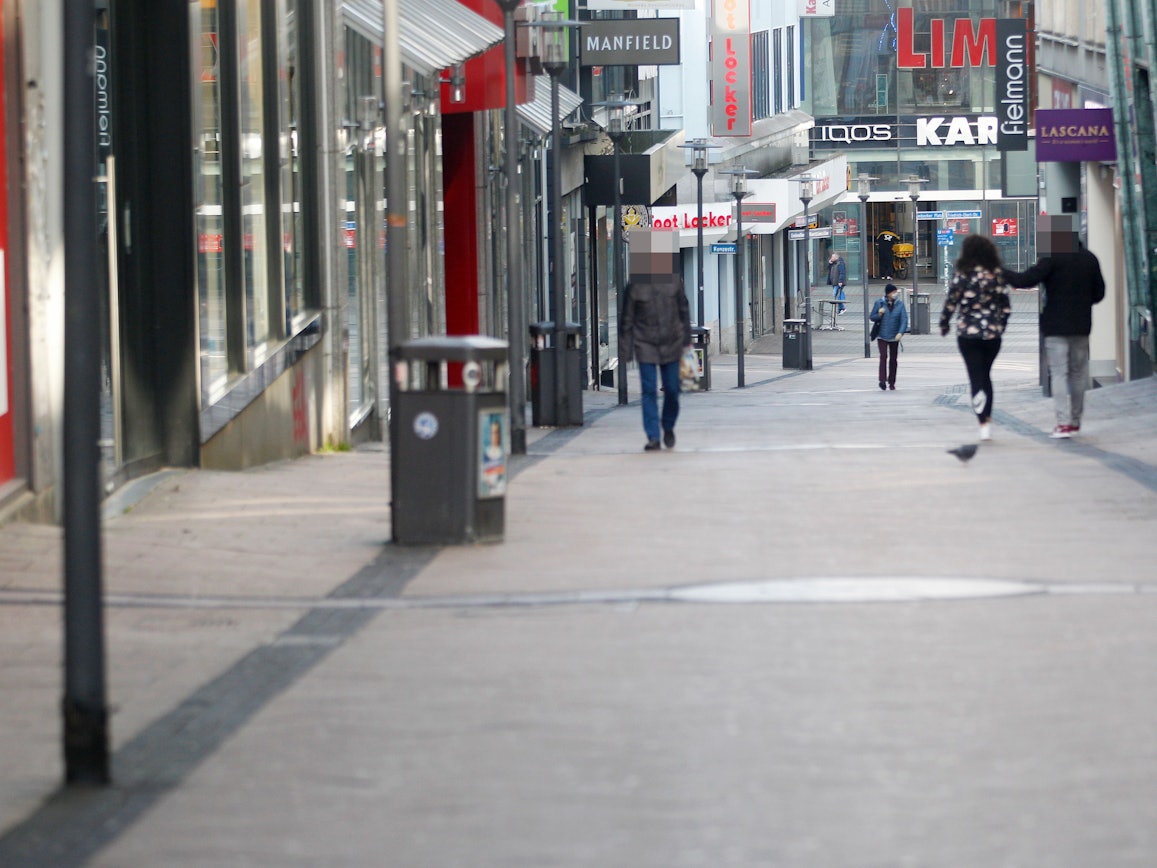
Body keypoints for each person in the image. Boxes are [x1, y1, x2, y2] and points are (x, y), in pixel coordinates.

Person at [1003, 216, 1106, 439]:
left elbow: (1025, 280)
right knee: (1078, 374)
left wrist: (1001, 272)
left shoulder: (1051, 259)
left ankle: (1062, 423)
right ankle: (1076, 420)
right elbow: (1099, 293)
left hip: (1055, 327)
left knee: (1059, 374)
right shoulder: (1090, 259)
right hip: (1081, 326)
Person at [939, 234, 1013, 442]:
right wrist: (1001, 326)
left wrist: (944, 323)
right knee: (986, 374)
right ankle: (987, 420)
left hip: (968, 334)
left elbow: (951, 301)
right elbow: (1006, 306)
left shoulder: (962, 274)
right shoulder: (996, 275)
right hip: (991, 334)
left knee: (975, 375)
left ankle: (981, 420)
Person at [619, 266, 692, 452]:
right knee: (648, 391)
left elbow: (684, 310)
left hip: (672, 342)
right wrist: (625, 351)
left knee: (673, 390)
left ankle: (668, 425)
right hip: (645, 344)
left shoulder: (674, 279)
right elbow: (626, 319)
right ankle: (653, 436)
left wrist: (687, 340)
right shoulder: (635, 284)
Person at [869, 283, 908, 390]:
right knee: (883, 356)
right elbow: (872, 317)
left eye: (896, 292)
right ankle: (882, 380)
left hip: (894, 335)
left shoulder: (900, 304)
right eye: (893, 292)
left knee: (893, 359)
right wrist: (879, 315)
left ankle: (892, 381)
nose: (895, 294)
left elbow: (904, 319)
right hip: (882, 335)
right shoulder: (879, 303)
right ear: (888, 293)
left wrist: (901, 332)